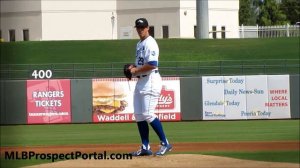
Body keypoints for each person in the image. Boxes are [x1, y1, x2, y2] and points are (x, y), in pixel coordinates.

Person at [129, 18, 172, 156]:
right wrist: (133, 67)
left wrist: (136, 70)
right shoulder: (139, 43)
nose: (140, 30)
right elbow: (141, 64)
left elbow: (152, 64)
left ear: (148, 28)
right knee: (139, 115)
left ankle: (165, 143)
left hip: (151, 80)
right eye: (138, 27)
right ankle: (145, 147)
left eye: (142, 27)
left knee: (148, 114)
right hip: (141, 81)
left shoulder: (150, 43)